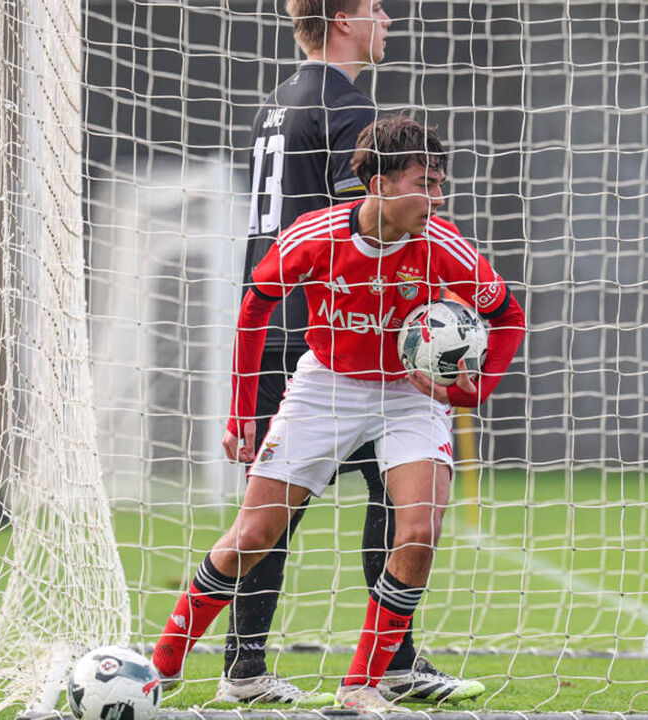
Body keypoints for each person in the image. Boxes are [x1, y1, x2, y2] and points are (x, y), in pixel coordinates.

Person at [151, 2, 484, 705]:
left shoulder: (278, 102)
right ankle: (387, 663)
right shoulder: (349, 106)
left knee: (278, 512)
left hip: (279, 319)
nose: (387, 19)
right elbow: (368, 228)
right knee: (386, 502)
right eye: (374, 9)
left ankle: (247, 664)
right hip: (329, 333)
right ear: (341, 21)